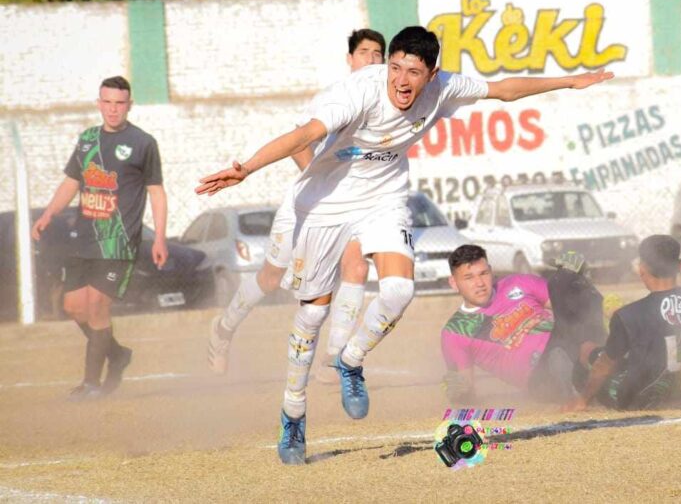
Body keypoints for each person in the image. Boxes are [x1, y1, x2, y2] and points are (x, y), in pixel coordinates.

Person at [195, 25, 613, 464]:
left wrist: (570, 81)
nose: (400, 80)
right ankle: (293, 413)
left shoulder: (445, 86)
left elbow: (503, 90)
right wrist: (247, 168)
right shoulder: (357, 92)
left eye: (413, 72)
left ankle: (350, 361)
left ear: (432, 73)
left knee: (398, 290)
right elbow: (303, 136)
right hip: (325, 203)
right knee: (313, 314)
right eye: (394, 68)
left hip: (385, 199)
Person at [207, 28, 386, 375]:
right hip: (308, 202)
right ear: (350, 59)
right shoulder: (334, 96)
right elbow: (298, 142)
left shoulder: (386, 102)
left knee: (357, 267)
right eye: (365, 52)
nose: (372, 59)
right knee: (271, 278)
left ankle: (335, 358)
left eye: (378, 53)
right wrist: (320, 180)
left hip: (350, 207)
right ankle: (223, 329)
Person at [31, 76, 167, 400]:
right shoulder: (88, 139)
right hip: (83, 238)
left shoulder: (143, 143)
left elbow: (156, 192)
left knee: (96, 305)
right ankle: (117, 354)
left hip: (117, 241)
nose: (113, 109)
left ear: (129, 105)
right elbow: (71, 182)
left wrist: (159, 237)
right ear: (99, 103)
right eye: (107, 102)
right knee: (73, 307)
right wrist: (48, 214)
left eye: (119, 103)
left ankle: (91, 384)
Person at [566, 235, 681, 412]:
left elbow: (604, 366)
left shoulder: (628, 315)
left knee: (588, 351)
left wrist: (583, 400)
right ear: (680, 266)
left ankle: (580, 397)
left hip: (636, 401)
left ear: (642, 269)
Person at [441, 245, 606, 404]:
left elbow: (569, 308)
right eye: (469, 277)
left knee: (562, 281)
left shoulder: (517, 282)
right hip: (541, 377)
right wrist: (459, 392)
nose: (479, 283)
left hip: (568, 342)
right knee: (558, 354)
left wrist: (574, 279)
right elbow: (467, 391)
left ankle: (601, 358)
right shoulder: (455, 332)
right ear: (453, 283)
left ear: (491, 271)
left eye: (483, 274)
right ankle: (585, 373)